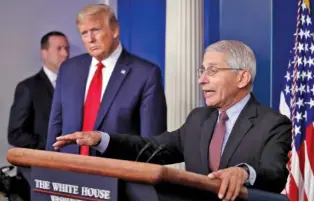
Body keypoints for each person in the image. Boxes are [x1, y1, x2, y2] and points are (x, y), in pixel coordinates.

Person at [53, 40, 292, 200]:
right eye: (202, 71)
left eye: (212, 71)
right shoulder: (198, 119)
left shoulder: (273, 124)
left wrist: (244, 173)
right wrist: (100, 139)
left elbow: (274, 174)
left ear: (242, 78)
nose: (202, 80)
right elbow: (150, 150)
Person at [45, 4, 167, 155]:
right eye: (84, 33)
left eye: (96, 30)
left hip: (117, 174)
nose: (90, 39)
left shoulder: (145, 74)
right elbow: (55, 127)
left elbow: (152, 144)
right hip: (69, 172)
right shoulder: (69, 69)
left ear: (115, 30)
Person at [7, 31, 69, 200]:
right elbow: (15, 134)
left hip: (71, 174)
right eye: (59, 48)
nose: (65, 53)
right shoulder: (28, 87)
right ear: (44, 53)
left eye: (66, 48)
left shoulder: (75, 87)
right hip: (37, 176)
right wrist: (51, 146)